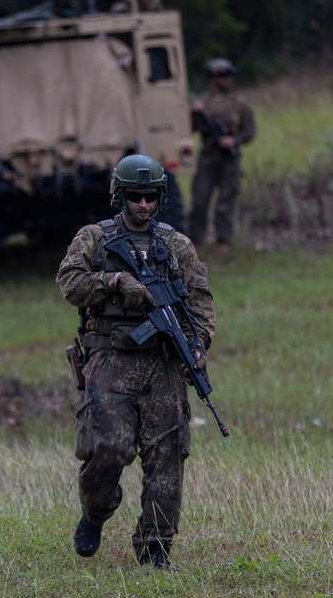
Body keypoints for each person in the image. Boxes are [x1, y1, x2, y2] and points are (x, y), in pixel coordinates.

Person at [56, 155, 215, 569]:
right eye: (134, 197)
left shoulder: (176, 245)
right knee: (108, 450)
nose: (143, 205)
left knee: (168, 456)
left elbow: (199, 302)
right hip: (111, 361)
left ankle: (155, 548)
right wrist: (112, 283)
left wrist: (197, 345)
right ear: (119, 196)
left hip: (163, 363)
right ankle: (95, 514)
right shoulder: (94, 238)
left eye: (150, 197)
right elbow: (69, 282)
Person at [189, 57, 256, 251]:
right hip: (208, 158)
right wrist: (195, 113)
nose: (228, 80)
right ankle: (195, 240)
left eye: (229, 76)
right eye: (224, 76)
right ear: (214, 78)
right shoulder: (203, 104)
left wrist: (233, 141)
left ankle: (223, 241)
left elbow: (249, 131)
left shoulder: (240, 104)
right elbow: (191, 128)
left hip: (229, 159)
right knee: (199, 200)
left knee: (226, 201)